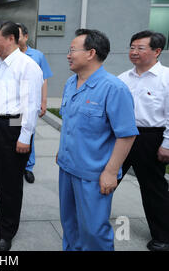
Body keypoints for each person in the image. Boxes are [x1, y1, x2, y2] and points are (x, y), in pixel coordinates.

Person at [57, 29, 138, 251]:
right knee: (70, 224)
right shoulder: (70, 83)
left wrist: (111, 172)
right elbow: (72, 122)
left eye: (72, 50)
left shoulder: (113, 88)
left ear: (91, 53)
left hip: (93, 174)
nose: (68, 55)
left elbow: (127, 134)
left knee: (93, 231)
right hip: (68, 167)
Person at [0, 21, 43, 251]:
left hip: (11, 126)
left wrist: (24, 137)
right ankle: (3, 215)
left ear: (11, 39)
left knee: (11, 181)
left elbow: (31, 104)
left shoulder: (27, 66)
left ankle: (7, 231)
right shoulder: (0, 64)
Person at [118, 30, 169, 251]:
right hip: (122, 136)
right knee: (107, 179)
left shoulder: (166, 78)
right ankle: (91, 224)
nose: (134, 52)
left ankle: (163, 236)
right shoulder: (122, 78)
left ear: (157, 51)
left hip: (151, 137)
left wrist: (167, 144)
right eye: (132, 47)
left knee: (154, 188)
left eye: (140, 48)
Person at [16, 23, 53, 183]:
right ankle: (16, 164)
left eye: (17, 35)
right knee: (14, 132)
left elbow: (44, 79)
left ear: (25, 36)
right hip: (15, 104)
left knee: (29, 131)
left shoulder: (37, 55)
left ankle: (28, 167)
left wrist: (43, 101)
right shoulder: (10, 55)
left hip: (30, 104)